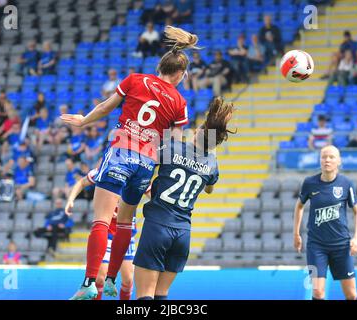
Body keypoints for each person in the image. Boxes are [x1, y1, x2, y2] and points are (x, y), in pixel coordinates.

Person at [61, 25, 196, 300]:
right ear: (180, 74)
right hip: (146, 163)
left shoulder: (135, 80)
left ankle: (89, 283)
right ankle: (110, 280)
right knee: (125, 222)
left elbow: (106, 107)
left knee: (101, 220)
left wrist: (84, 120)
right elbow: (172, 147)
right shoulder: (180, 103)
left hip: (122, 152)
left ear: (160, 66)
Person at [134, 97, 235, 300]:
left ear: (198, 132)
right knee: (161, 295)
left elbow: (144, 165)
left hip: (157, 227)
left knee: (145, 295)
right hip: (182, 234)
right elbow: (209, 190)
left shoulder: (171, 148)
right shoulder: (212, 164)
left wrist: (151, 186)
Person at [65, 168, 150, 300]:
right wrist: (70, 200)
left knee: (128, 280)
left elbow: (152, 194)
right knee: (100, 279)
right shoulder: (108, 168)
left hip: (127, 235)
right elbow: (82, 182)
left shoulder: (138, 174)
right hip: (107, 235)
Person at [293, 145, 357, 300]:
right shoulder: (309, 183)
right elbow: (299, 206)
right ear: (320, 160)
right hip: (316, 247)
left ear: (339, 161)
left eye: (331, 157)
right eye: (324, 157)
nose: (327, 160)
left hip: (341, 246)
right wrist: (296, 234)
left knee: (351, 294)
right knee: (318, 292)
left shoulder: (346, 184)